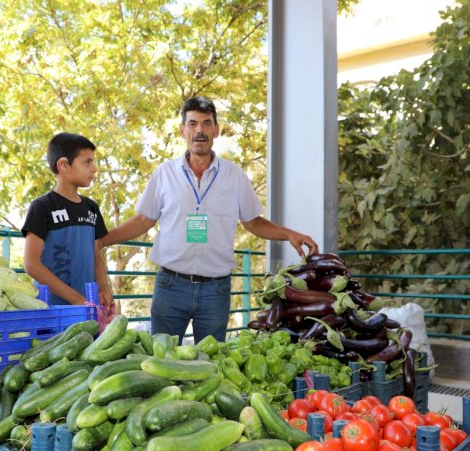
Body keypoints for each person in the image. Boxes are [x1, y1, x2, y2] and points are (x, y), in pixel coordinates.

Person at [99, 96, 318, 342]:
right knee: (161, 361)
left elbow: (253, 222)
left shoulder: (235, 176)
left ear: (216, 129)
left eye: (206, 123)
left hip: (216, 290)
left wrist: (289, 234)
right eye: (192, 124)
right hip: (171, 286)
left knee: (211, 364)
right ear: (182, 130)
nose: (199, 130)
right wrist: (103, 240)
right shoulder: (164, 174)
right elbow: (143, 220)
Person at [22, 132, 114, 308]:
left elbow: (96, 257)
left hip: (87, 310)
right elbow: (31, 264)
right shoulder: (42, 207)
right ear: (63, 165)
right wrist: (76, 300)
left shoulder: (91, 208)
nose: (94, 168)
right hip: (51, 310)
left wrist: (104, 289)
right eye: (87, 162)